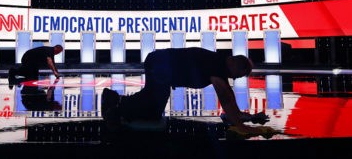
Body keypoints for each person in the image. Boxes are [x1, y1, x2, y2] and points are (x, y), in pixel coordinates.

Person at [102, 47, 271, 135]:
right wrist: (241, 126)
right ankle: (115, 113)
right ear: (235, 64)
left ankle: (114, 99)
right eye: (240, 75)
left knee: (152, 100)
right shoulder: (218, 65)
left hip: (159, 62)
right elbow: (226, 98)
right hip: (160, 64)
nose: (236, 79)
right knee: (153, 106)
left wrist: (246, 116)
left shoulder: (220, 65)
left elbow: (228, 95)